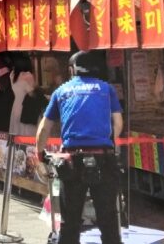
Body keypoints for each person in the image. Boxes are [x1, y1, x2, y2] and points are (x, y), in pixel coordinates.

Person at [36, 51, 123, 244]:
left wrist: (40, 154)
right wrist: (108, 142)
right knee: (108, 219)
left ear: (71, 70)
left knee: (71, 220)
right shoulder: (107, 89)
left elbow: (44, 127)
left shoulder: (61, 91)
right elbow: (118, 122)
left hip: (72, 161)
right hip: (104, 158)